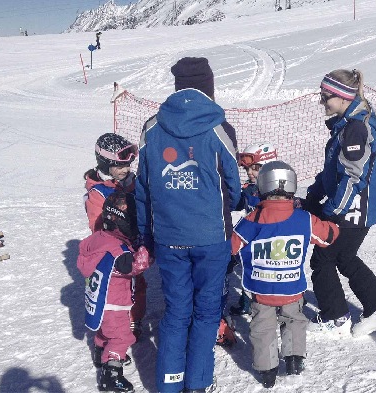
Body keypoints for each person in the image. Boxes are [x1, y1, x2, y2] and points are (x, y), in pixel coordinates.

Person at [135, 56, 241, 393]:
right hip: (212, 237)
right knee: (207, 312)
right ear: (209, 87)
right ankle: (197, 384)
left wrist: (145, 236)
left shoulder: (152, 127)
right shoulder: (219, 128)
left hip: (169, 237)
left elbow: (143, 188)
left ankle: (168, 384)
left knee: (177, 310)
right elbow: (234, 185)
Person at [303, 69, 376, 338]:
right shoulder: (347, 124)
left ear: (343, 97)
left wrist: (331, 211)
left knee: (324, 256)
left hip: (356, 207)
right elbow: (335, 169)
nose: (323, 101)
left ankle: (335, 315)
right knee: (343, 257)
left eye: (326, 96)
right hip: (353, 205)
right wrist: (314, 193)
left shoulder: (355, 128)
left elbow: (353, 176)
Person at [231, 161, 339, 388]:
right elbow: (327, 237)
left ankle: (268, 370)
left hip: (261, 290)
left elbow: (231, 246)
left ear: (262, 186)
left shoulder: (253, 220)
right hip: (291, 287)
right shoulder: (304, 219)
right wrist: (335, 226)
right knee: (294, 320)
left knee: (263, 326)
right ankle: (294, 359)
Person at [77, 191, 152, 393]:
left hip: (99, 301)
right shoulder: (119, 250)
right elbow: (133, 267)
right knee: (121, 337)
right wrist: (147, 253)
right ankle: (111, 374)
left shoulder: (98, 239)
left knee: (104, 331)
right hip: (115, 302)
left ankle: (101, 353)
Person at [84, 133, 147, 340]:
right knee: (114, 295)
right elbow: (97, 229)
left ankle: (133, 321)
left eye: (128, 165)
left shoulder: (130, 183)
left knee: (138, 285)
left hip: (135, 246)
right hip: (113, 254)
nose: (126, 169)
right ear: (104, 164)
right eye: (119, 166)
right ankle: (109, 338)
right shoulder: (98, 193)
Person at [227, 142, 279, 317]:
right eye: (248, 169)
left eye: (255, 168)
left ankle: (283, 301)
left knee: (271, 273)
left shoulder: (278, 189)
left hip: (273, 241)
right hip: (252, 239)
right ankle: (247, 302)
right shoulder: (249, 189)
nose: (250, 173)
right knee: (248, 270)